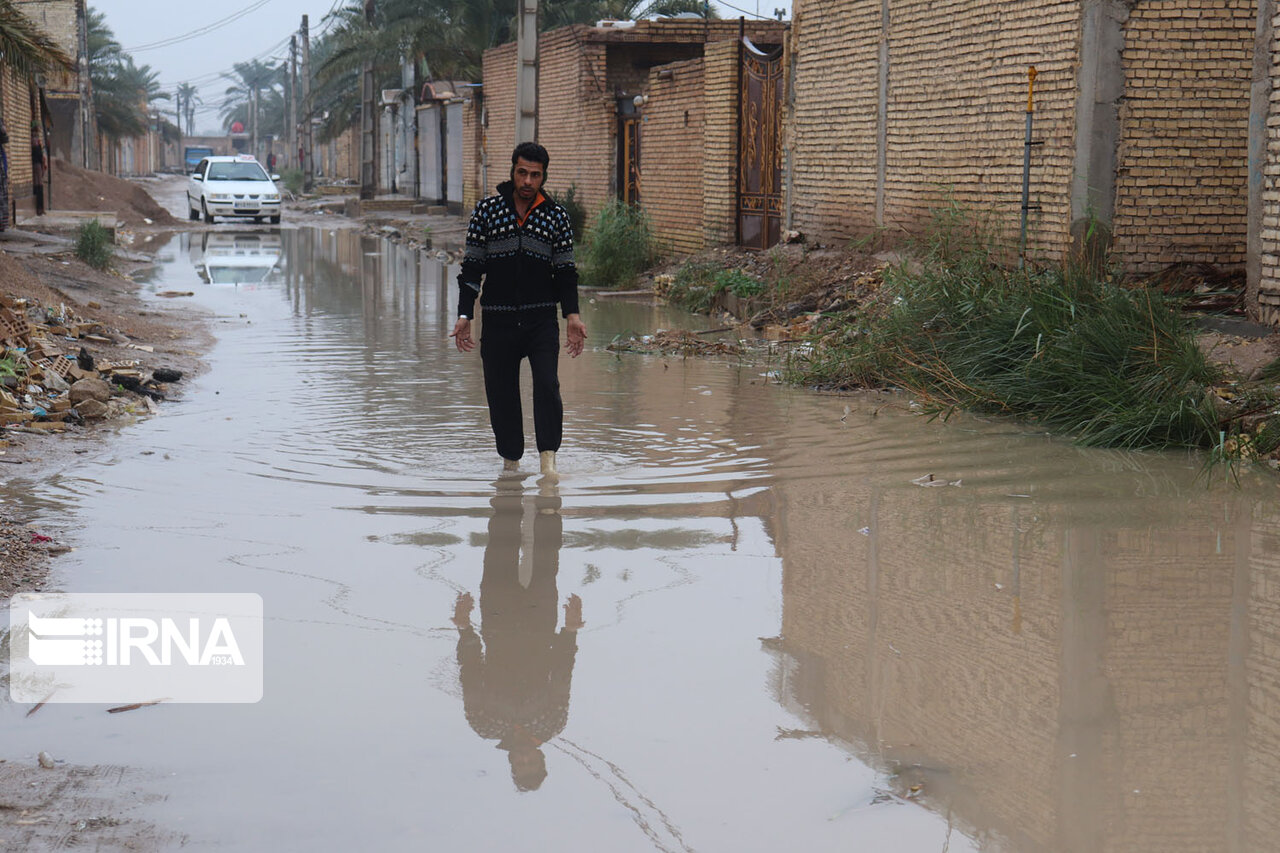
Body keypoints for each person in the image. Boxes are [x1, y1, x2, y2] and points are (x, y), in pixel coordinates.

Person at [451, 142, 587, 477]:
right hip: (498, 322)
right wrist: (465, 315)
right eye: (522, 173)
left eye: (535, 175)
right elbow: (471, 270)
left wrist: (573, 315)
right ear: (512, 171)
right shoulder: (486, 212)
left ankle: (548, 462)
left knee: (547, 385)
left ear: (543, 177)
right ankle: (510, 464)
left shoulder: (557, 217)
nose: (528, 181)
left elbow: (566, 272)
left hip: (541, 321)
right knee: (501, 394)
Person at [452, 487, 582, 791]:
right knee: (546, 559)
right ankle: (550, 501)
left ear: (511, 763)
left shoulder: (484, 724)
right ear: (541, 757)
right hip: (540, 626)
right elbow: (562, 673)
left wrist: (464, 628)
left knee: (499, 552)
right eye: (531, 763)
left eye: (519, 765)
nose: (524, 759)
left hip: (497, 624)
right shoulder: (552, 722)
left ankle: (506, 495)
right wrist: (570, 631)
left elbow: (470, 673)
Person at [30, 123, 46, 217]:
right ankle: (39, 208)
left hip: (38, 165)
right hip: (37, 165)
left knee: (39, 186)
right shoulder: (35, 143)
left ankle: (40, 208)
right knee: (39, 185)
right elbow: (38, 155)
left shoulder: (36, 142)